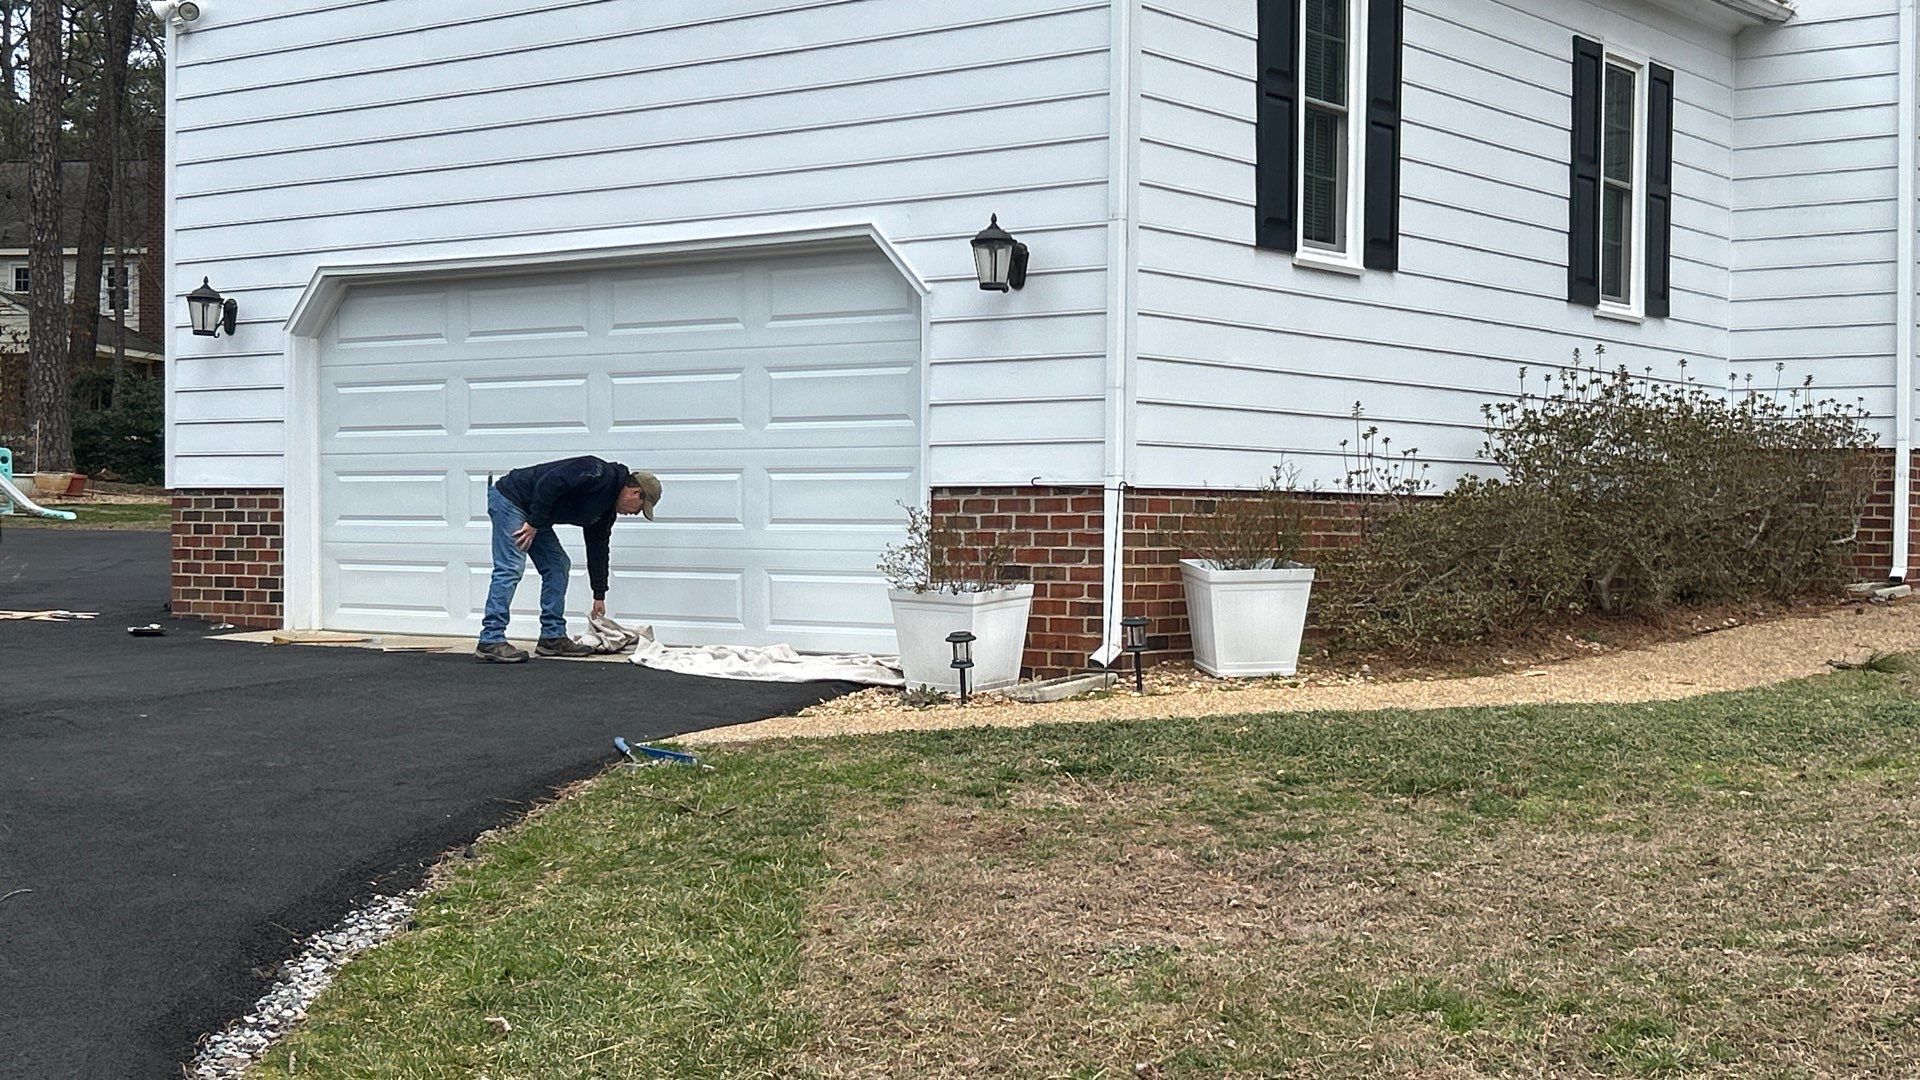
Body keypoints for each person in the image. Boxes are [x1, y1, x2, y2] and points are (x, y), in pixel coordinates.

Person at [477, 456, 662, 664]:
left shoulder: (605, 513)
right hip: (512, 498)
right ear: (634, 492)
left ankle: (552, 637)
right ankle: (490, 639)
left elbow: (598, 549)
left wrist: (599, 594)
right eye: (639, 508)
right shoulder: (597, 471)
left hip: (537, 513)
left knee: (558, 565)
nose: (635, 513)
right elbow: (550, 482)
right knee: (510, 566)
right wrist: (534, 522)